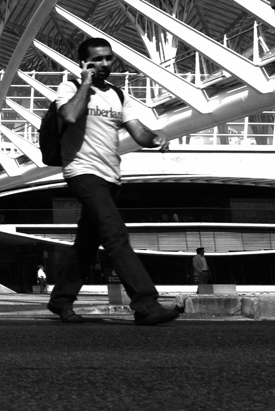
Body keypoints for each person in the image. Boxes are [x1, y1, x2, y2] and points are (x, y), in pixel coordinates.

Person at [46, 37, 181, 326]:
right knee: (115, 235)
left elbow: (138, 132)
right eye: (97, 59)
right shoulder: (70, 88)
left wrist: (155, 139)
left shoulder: (119, 95)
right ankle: (145, 304)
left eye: (108, 58)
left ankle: (60, 300)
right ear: (84, 61)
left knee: (86, 244)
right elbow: (68, 115)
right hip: (82, 172)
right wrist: (85, 82)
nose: (105, 64)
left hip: (111, 177)